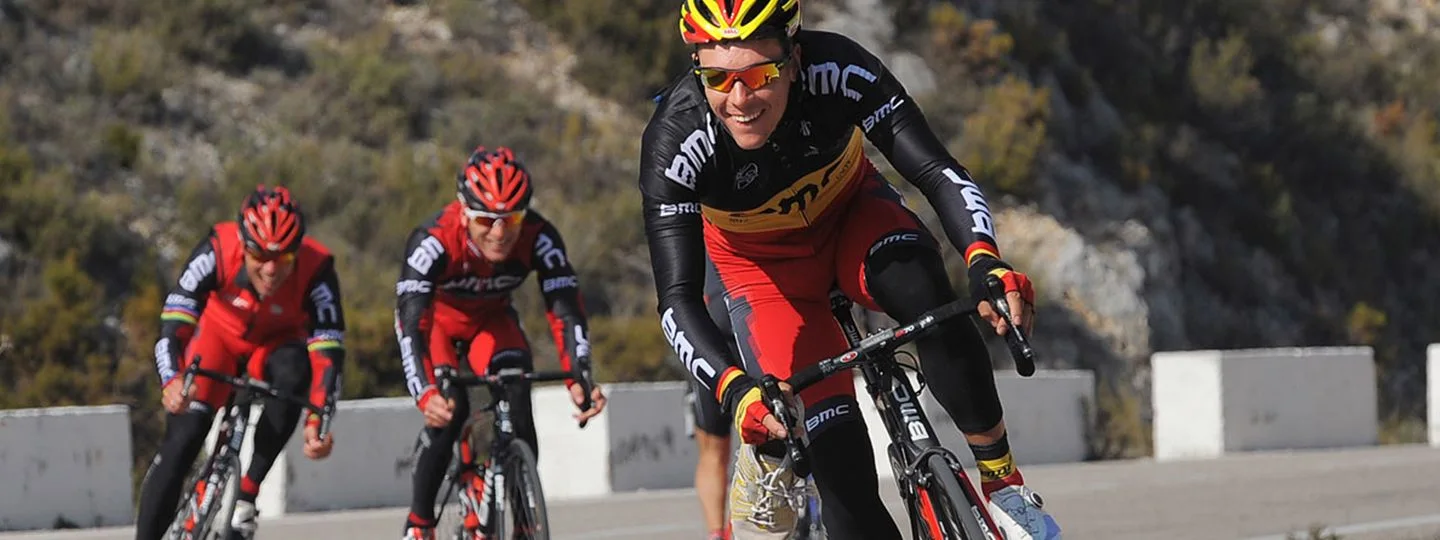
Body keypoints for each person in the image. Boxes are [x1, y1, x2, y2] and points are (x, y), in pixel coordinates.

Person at [638, 1, 1062, 539]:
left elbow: (936, 170)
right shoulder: (674, 140)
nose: (739, 99)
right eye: (718, 77)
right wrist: (736, 389)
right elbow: (676, 298)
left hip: (853, 220)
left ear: (792, 60)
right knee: (843, 481)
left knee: (923, 288)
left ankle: (1003, 485)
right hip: (767, 279)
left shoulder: (838, 70)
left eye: (759, 75)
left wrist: (985, 259)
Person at [395, 145, 609, 540]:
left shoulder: (540, 237)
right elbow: (411, 323)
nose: (499, 232)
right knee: (447, 410)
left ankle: (524, 519)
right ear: (463, 210)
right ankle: (420, 522)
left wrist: (579, 376)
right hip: (437, 326)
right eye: (485, 220)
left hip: (491, 324)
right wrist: (424, 391)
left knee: (516, 385)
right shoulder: (433, 241)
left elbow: (566, 311)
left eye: (511, 219)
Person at [135, 185, 345, 540]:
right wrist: (171, 379)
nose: (270, 269)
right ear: (243, 245)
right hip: (218, 338)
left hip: (277, 345)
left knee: (294, 377)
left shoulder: (317, 269)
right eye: (258, 256)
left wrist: (318, 421)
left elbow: (329, 354)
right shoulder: (217, 249)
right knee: (182, 442)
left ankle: (246, 496)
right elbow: (174, 321)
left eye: (283, 259)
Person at [685, 258, 738, 540]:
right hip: (709, 345)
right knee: (714, 448)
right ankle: (718, 533)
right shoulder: (692, 221)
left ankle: (744, 525)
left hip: (753, 333)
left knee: (769, 441)